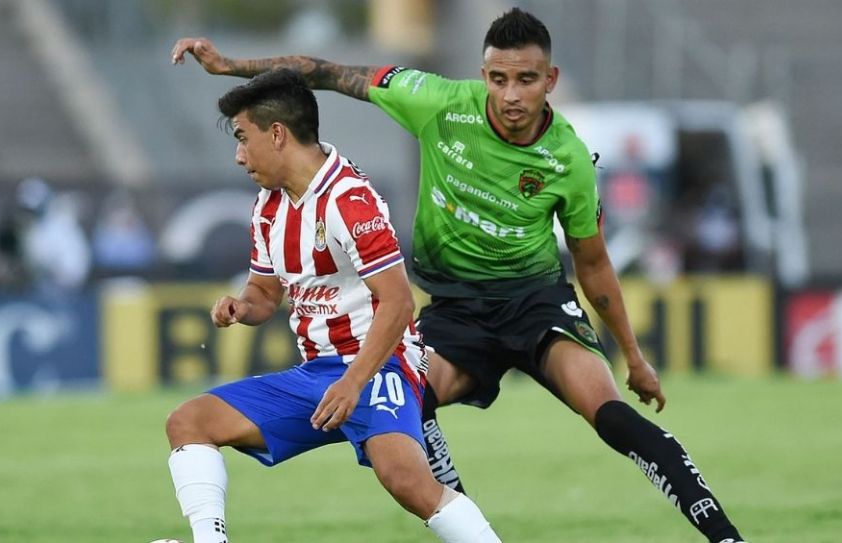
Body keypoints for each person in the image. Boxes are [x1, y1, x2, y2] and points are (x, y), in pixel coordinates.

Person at [172, 8, 751, 543]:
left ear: (550, 80)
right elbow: (322, 70)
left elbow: (594, 263)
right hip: (453, 312)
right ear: (483, 74)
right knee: (404, 412)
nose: (511, 94)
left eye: (526, 79)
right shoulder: (438, 101)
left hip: (535, 305)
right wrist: (231, 67)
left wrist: (635, 357)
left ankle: (725, 536)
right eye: (498, 78)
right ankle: (467, 518)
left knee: (609, 416)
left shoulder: (569, 159)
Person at [163, 69, 502, 543]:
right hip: (320, 376)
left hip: (383, 367)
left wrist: (353, 382)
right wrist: (242, 307)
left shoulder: (350, 200)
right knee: (188, 421)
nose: (238, 155)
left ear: (277, 134)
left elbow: (399, 303)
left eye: (243, 138)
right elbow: (265, 294)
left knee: (406, 480)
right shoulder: (268, 206)